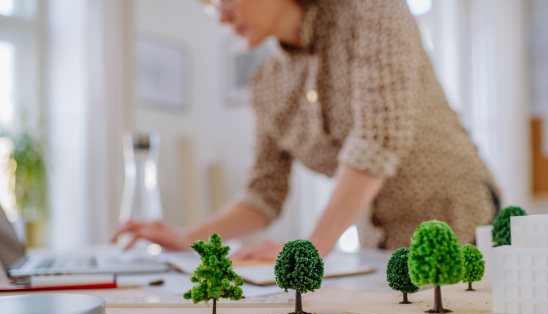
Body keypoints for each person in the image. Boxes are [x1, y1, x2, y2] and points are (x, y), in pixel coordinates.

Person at [112, 0, 500, 261]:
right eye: (209, 7)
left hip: (459, 218)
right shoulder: (265, 83)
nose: (220, 16)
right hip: (378, 242)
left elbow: (376, 140)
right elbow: (265, 191)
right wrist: (189, 237)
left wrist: (312, 247)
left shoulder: (372, 11)